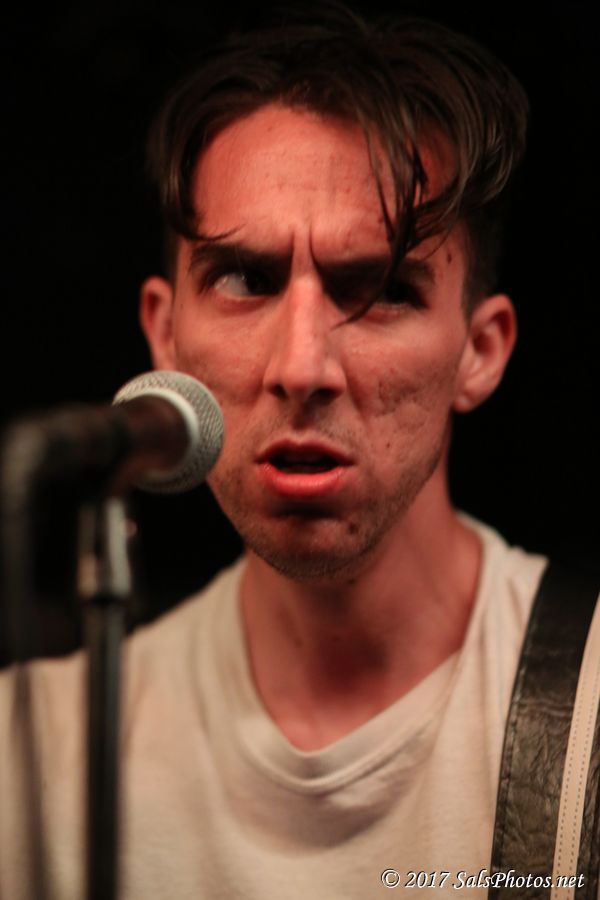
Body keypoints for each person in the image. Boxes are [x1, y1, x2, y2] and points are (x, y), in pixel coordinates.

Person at [1, 4, 566, 898]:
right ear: (164, 333)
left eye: (381, 289)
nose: (301, 367)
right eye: (246, 279)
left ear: (481, 349)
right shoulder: (33, 754)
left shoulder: (585, 712)